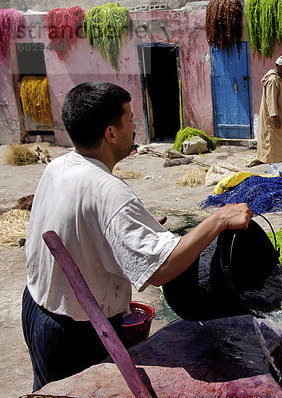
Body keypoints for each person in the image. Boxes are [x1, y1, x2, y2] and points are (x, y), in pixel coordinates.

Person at [21, 82, 253, 392]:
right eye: (129, 118)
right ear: (111, 133)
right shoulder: (110, 193)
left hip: (37, 309)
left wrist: (124, 235)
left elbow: (77, 228)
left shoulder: (58, 166)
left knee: (49, 389)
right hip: (77, 333)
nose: (135, 125)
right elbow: (161, 271)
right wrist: (218, 220)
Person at [246, 54, 282, 167]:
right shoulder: (272, 80)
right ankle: (274, 163)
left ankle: (280, 162)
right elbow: (270, 100)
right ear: (278, 67)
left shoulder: (279, 78)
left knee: (280, 140)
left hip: (280, 114)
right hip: (274, 117)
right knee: (273, 141)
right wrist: (274, 117)